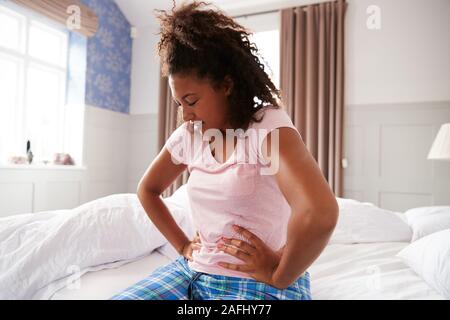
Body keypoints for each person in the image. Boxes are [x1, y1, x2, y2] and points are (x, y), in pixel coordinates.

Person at [111, 0, 338, 300]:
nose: (185, 115)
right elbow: (148, 190)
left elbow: (319, 213)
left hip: (254, 282)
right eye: (179, 104)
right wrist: (182, 246)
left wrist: (279, 272)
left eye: (192, 101)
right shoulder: (189, 136)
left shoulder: (266, 128)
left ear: (227, 85)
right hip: (191, 271)